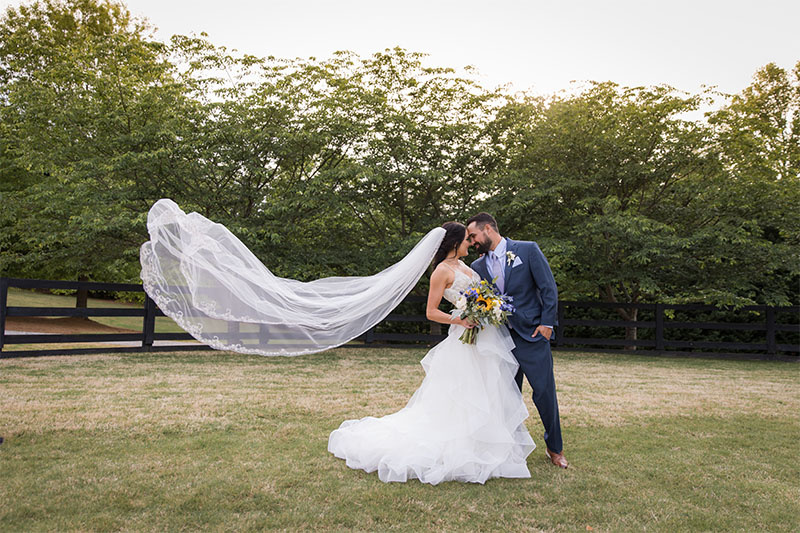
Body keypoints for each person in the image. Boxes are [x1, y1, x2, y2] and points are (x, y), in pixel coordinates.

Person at [327, 222, 536, 484]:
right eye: (466, 240)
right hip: (463, 336)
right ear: (454, 243)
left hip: (483, 336)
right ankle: (459, 444)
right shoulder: (441, 271)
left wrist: (487, 308)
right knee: (462, 393)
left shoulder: (466, 267)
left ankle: (484, 443)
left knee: (486, 388)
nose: (470, 243)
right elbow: (431, 311)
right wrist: (461, 320)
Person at [466, 213, 568, 468]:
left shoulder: (527, 250)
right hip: (500, 339)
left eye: (474, 236)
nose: (472, 241)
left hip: (532, 335)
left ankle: (555, 448)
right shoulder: (478, 267)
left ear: (488, 228)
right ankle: (509, 449)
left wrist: (547, 324)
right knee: (506, 397)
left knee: (544, 393)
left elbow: (548, 287)